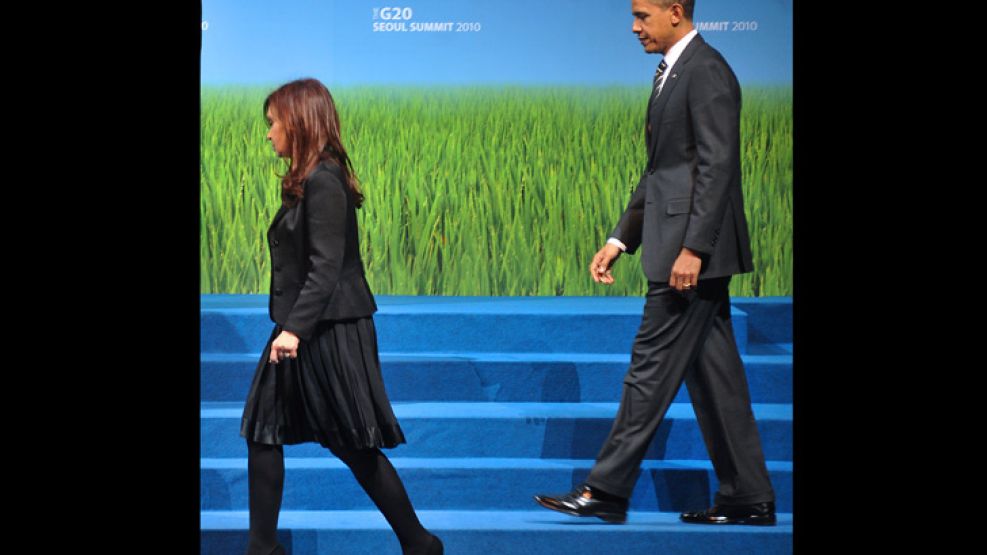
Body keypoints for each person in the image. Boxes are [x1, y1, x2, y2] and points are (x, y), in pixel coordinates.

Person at [533, 0, 777, 526]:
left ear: (675, 11)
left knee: (648, 368)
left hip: (687, 256)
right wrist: (621, 240)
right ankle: (748, 497)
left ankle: (606, 489)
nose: (634, 27)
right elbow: (663, 172)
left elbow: (718, 166)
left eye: (643, 15)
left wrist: (695, 248)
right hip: (675, 246)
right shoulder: (673, 71)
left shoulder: (707, 70)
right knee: (717, 379)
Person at [239, 78, 444, 554]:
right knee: (262, 429)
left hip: (326, 330)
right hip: (304, 325)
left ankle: (419, 542)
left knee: (353, 444)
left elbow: (326, 267)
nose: (268, 133)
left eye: (273, 123)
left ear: (298, 122)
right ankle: (262, 548)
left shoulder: (324, 180)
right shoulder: (308, 178)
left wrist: (292, 330)